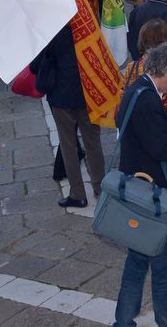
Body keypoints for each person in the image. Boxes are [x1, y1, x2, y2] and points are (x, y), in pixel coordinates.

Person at [112, 41, 167, 327]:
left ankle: (123, 321)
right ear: (166, 70)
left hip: (139, 191)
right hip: (154, 196)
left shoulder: (136, 90)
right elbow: (161, 149)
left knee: (136, 262)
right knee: (164, 266)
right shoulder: (147, 100)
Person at [37, 17, 106, 210]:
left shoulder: (52, 32)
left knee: (68, 145)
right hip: (87, 94)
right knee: (93, 142)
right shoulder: (88, 28)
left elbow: (36, 66)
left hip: (61, 97)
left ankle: (77, 194)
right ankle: (100, 189)